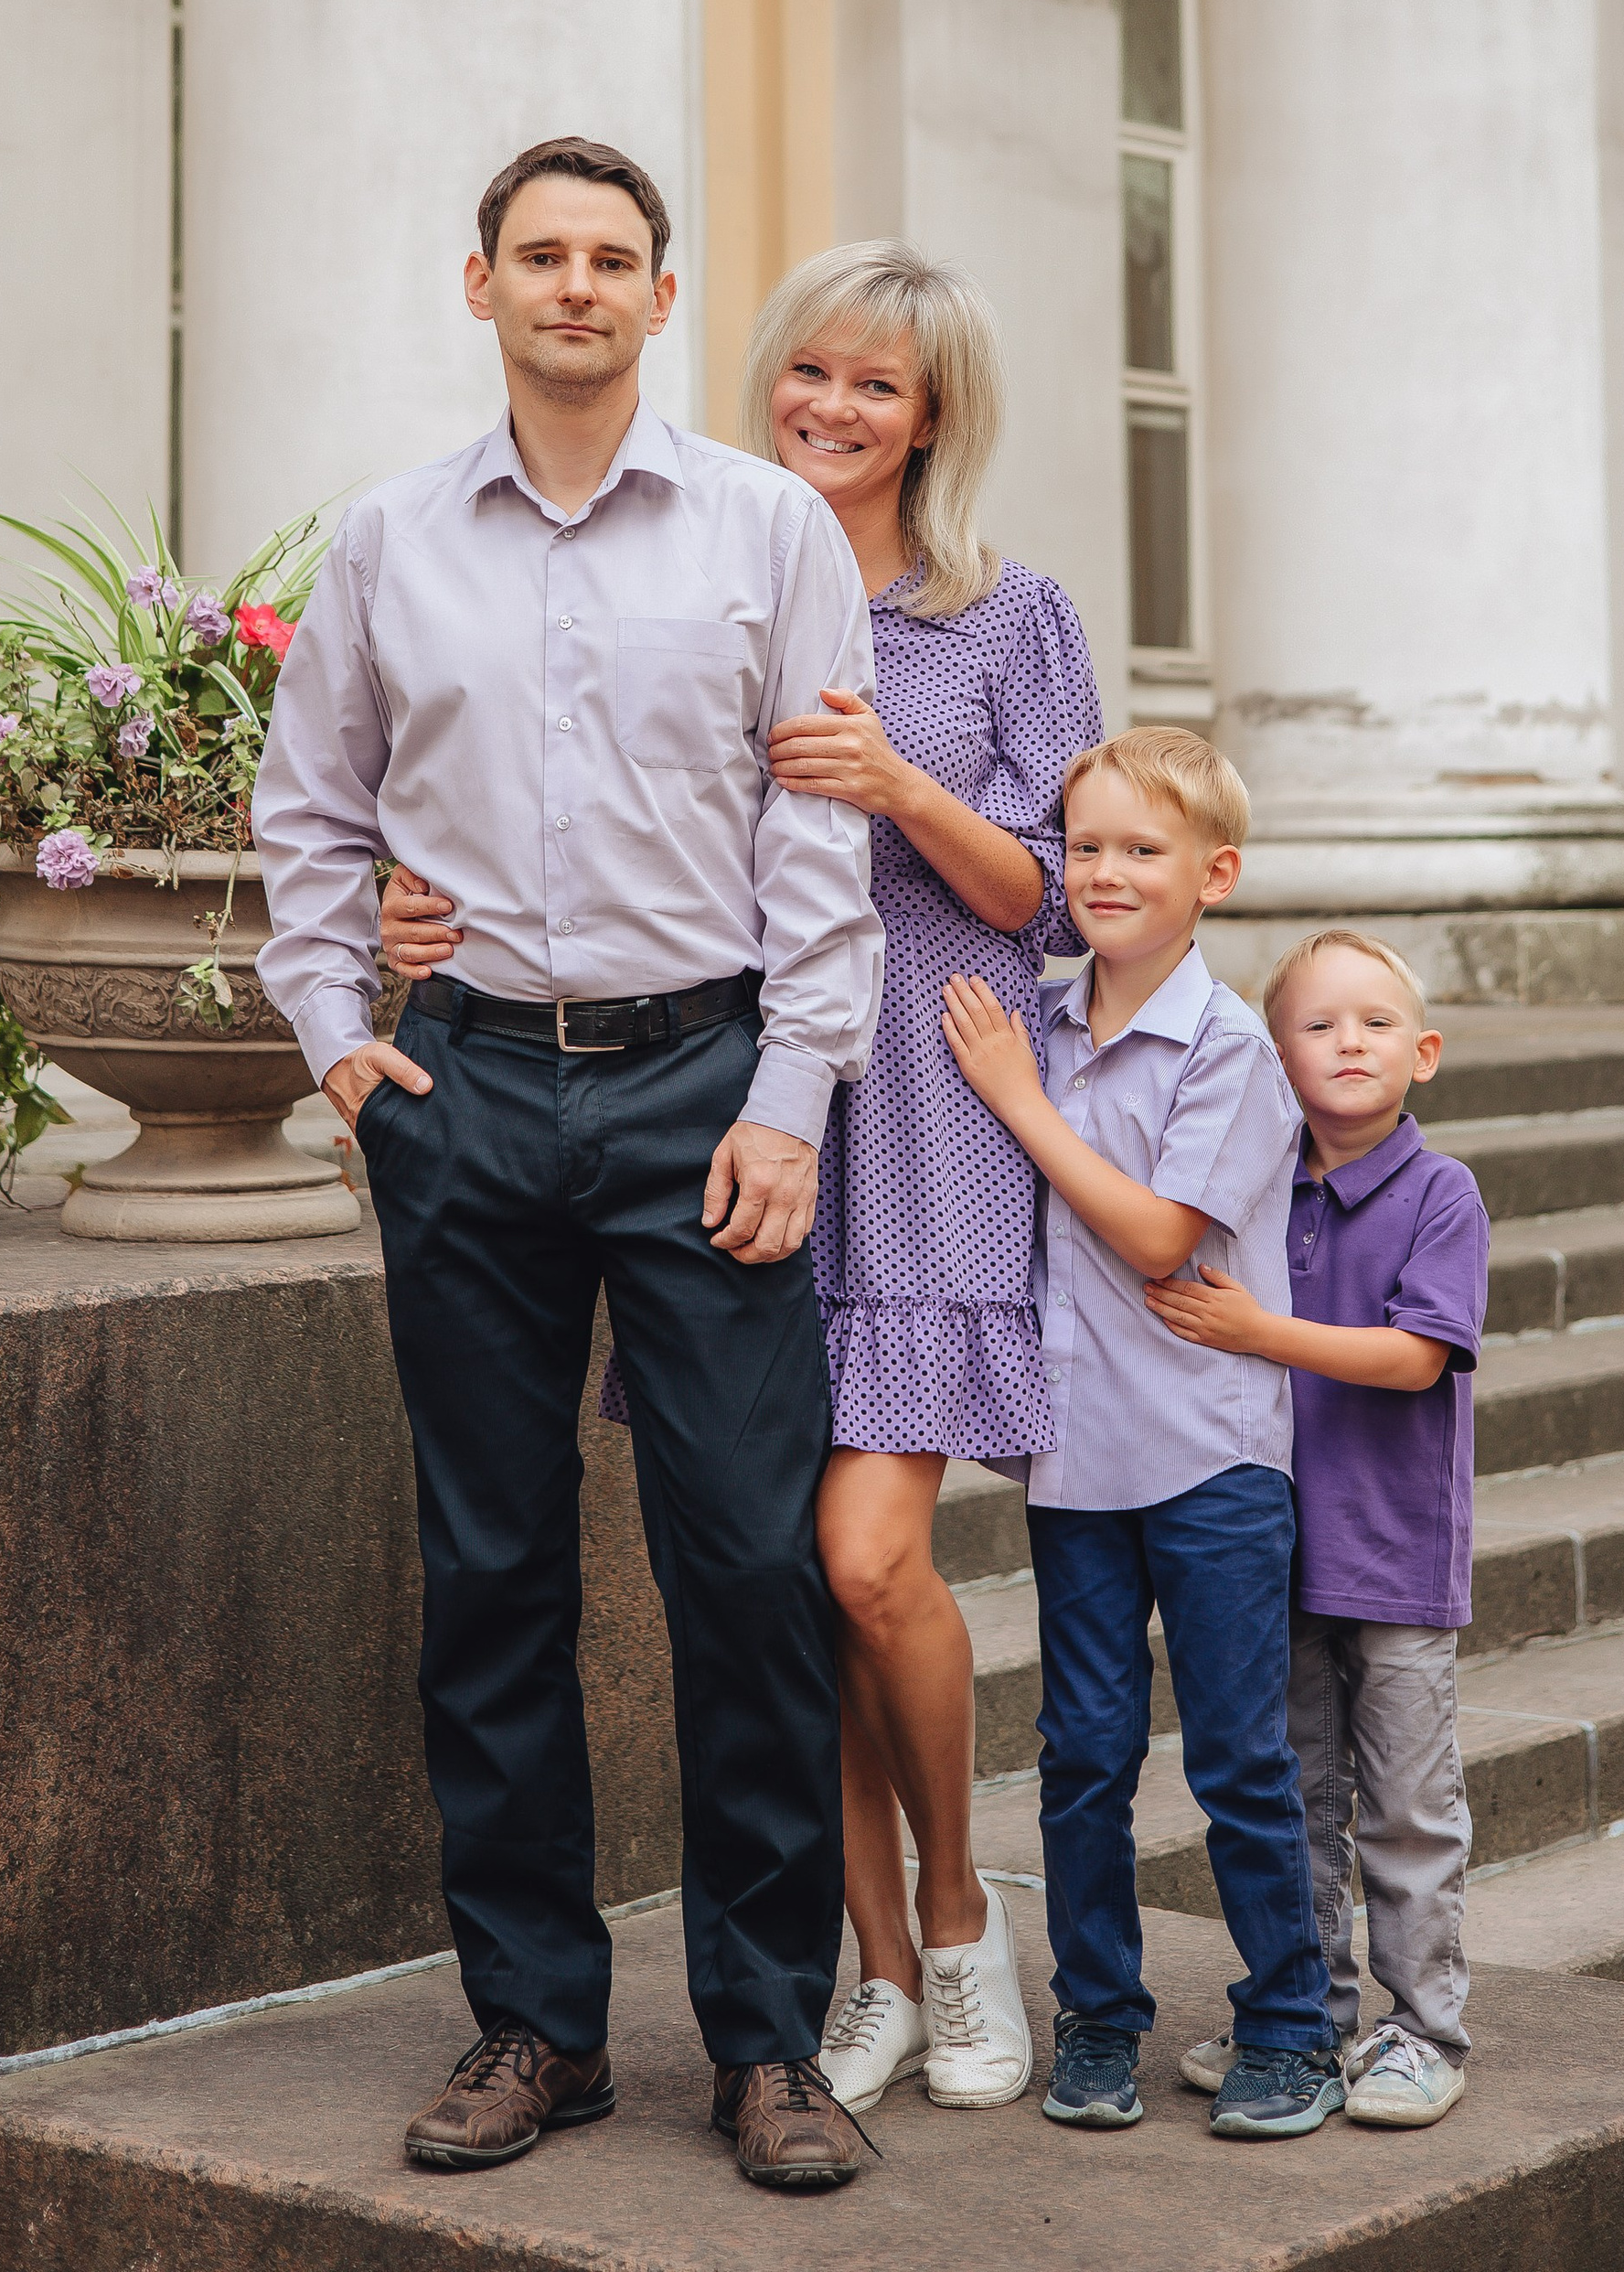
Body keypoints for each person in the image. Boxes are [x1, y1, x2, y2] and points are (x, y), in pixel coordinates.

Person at [387, 240, 1103, 2120]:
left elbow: (1063, 893)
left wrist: (900, 788)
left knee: (866, 1563)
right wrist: (413, 899)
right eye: (811, 374)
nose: (832, 408)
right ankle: (853, 1975)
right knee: (769, 1562)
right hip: (714, 1090)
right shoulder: (698, 556)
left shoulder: (1002, 618)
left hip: (922, 1106)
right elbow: (558, 787)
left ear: (929, 415)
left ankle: (955, 1927)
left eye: (876, 386)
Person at [252, 134, 886, 2196]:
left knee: (748, 1576)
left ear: (659, 297)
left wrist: (791, 1097)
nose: (578, 287)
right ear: (481, 288)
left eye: (614, 258)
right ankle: (534, 2021)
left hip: (700, 1084)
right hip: (465, 1102)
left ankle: (770, 2044)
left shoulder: (767, 526)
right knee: (494, 1573)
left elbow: (817, 837)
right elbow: (310, 817)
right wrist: (344, 1043)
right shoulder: (388, 542)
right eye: (542, 255)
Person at [940, 726, 1341, 2142]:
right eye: (1088, 845)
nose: (1105, 872)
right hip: (1075, 1457)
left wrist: (1019, 1106)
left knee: (1237, 1759)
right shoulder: (1032, 1018)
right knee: (1083, 1753)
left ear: (1214, 876)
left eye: (1142, 849)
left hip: (1212, 1454)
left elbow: (1161, 1234)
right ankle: (1099, 2021)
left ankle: (1292, 2024)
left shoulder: (1229, 1050)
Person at [1157, 929, 1488, 2129]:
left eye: (1377, 1022)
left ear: (1425, 1053)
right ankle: (1306, 2011)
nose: (1350, 1041)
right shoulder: (1251, 1192)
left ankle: (1423, 2029)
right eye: (1317, 1024)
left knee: (1405, 1802)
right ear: (1272, 1058)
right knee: (1293, 1795)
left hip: (1395, 1553)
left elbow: (1413, 1357)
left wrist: (1258, 1333)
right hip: (1268, 1551)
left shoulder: (1439, 1193)